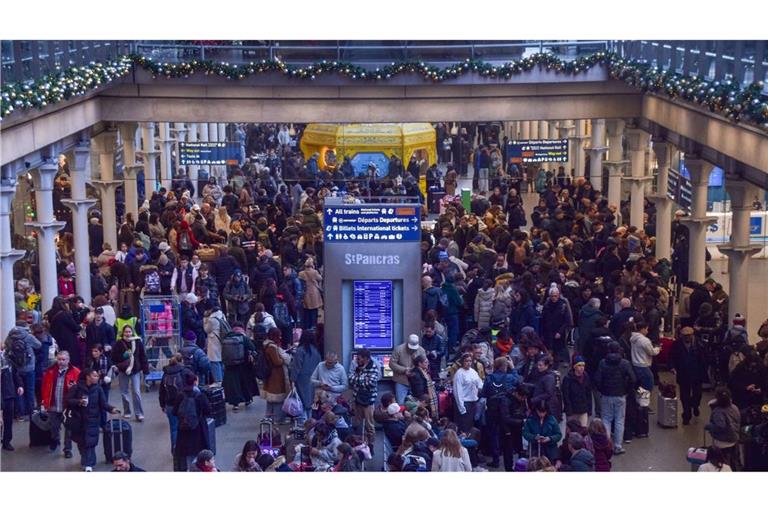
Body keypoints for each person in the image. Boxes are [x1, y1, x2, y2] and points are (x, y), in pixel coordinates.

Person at [67, 368, 120, 471]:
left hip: (93, 420)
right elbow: (69, 400)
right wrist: (79, 402)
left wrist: (111, 409)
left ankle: (89, 464)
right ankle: (87, 461)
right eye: (94, 376)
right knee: (82, 442)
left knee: (90, 443)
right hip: (79, 420)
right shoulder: (76, 388)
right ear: (88, 377)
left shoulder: (98, 389)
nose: (97, 377)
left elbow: (103, 403)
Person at [593, 341, 636, 455]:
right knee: (619, 420)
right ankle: (618, 446)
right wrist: (627, 390)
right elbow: (633, 378)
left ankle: (607, 444)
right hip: (620, 394)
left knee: (606, 419)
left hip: (606, 394)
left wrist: (602, 390)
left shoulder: (603, 363)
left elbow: (597, 379)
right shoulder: (625, 363)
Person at [40, 351, 80, 458]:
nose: (61, 362)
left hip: (68, 407)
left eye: (63, 359)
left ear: (68, 360)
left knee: (69, 429)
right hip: (53, 405)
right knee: (54, 427)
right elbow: (44, 387)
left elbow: (80, 389)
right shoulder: (50, 371)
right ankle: (55, 440)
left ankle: (67, 449)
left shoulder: (76, 372)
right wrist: (43, 401)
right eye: (59, 359)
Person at [173, 372, 212, 471]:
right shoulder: (200, 395)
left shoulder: (180, 395)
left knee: (187, 455)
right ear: (195, 381)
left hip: (183, 429)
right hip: (199, 429)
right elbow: (208, 410)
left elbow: (174, 411)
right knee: (197, 454)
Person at [670, 326, 708, 425]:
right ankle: (686, 414)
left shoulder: (699, 344)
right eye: (685, 336)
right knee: (684, 395)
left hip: (697, 373)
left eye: (688, 336)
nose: (686, 338)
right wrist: (672, 367)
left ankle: (695, 405)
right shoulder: (677, 344)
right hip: (683, 373)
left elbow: (704, 358)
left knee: (697, 394)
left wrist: (704, 371)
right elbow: (671, 357)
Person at [3, 319, 40, 419]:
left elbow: (6, 349)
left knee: (19, 390)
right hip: (29, 367)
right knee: (30, 389)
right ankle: (31, 411)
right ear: (25, 326)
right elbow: (38, 345)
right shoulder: (27, 336)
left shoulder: (10, 336)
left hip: (16, 368)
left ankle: (20, 412)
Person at [111, 324, 149, 422]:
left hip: (135, 370)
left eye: (129, 331)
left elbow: (143, 356)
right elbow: (114, 357)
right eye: (126, 332)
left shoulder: (137, 342)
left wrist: (145, 370)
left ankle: (139, 413)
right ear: (123, 333)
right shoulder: (118, 343)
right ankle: (127, 411)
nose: (128, 334)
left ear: (132, 332)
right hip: (123, 370)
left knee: (136, 392)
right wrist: (123, 356)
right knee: (124, 392)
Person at [221, 322, 258, 411]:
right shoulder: (244, 338)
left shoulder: (226, 337)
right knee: (245, 383)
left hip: (230, 366)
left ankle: (235, 403)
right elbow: (252, 347)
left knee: (233, 385)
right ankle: (247, 399)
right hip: (244, 365)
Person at [348, 349, 379, 452]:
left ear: (366, 359)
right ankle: (357, 443)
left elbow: (371, 383)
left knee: (369, 425)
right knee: (356, 424)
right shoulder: (356, 366)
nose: (357, 360)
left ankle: (371, 445)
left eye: (359, 358)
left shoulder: (374, 367)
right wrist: (363, 379)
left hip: (369, 400)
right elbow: (350, 380)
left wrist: (358, 379)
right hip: (357, 399)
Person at [289, 330, 323, 421]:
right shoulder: (316, 350)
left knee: (301, 402)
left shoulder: (300, 350)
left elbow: (296, 367)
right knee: (311, 402)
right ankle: (311, 421)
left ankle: (303, 423)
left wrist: (292, 379)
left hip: (302, 379)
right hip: (314, 379)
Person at [705, 387, 741, 470]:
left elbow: (720, 426)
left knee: (723, 464)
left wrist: (709, 426)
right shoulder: (734, 407)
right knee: (733, 462)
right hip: (734, 439)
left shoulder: (718, 412)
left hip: (722, 441)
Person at [262, 327, 292, 423]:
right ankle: (278, 419)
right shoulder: (272, 347)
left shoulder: (267, 344)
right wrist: (285, 358)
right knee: (278, 398)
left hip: (271, 375)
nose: (280, 337)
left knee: (270, 400)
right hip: (276, 375)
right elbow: (277, 362)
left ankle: (269, 417)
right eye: (279, 335)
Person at [159, 354, 188, 452]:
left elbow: (161, 391)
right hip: (183, 403)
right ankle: (185, 448)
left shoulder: (165, 373)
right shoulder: (184, 371)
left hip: (170, 404)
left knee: (174, 428)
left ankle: (175, 450)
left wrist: (162, 405)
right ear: (181, 361)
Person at [390, 334, 427, 404]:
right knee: (401, 403)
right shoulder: (399, 349)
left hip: (417, 382)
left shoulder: (421, 350)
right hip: (401, 381)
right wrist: (404, 370)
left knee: (418, 404)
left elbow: (425, 364)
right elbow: (392, 364)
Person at [453, 353, 484, 434]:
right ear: (462, 362)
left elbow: (480, 384)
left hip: (473, 402)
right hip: (465, 403)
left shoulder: (473, 372)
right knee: (464, 427)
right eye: (466, 361)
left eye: (470, 361)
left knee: (472, 427)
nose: (468, 363)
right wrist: (461, 407)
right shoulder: (459, 373)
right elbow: (457, 392)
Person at [562, 356, 593, 427]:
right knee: (572, 431)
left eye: (583, 365)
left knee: (583, 429)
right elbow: (566, 395)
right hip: (572, 410)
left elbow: (588, 393)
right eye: (579, 365)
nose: (582, 367)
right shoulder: (568, 379)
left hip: (583, 409)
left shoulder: (586, 377)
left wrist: (589, 409)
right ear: (574, 367)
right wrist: (568, 410)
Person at [1, 352, 24, 450]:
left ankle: (6, 441)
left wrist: (19, 385)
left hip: (8, 394)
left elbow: (15, 373)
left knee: (8, 419)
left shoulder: (7, 359)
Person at [203, 301, 228, 384]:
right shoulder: (222, 315)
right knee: (221, 362)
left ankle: (218, 381)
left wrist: (205, 319)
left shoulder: (211, 319)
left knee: (214, 362)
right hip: (222, 340)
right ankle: (224, 380)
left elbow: (206, 330)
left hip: (214, 342)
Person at [407, 354, 438, 420]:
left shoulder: (423, 372)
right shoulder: (416, 375)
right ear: (419, 364)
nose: (428, 364)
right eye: (426, 362)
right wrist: (426, 399)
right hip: (423, 401)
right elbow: (418, 391)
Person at [298, 259, 323, 330]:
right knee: (314, 310)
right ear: (312, 265)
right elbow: (320, 278)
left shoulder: (301, 273)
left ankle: (307, 325)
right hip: (314, 292)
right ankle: (313, 325)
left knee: (306, 310)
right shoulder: (314, 272)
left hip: (305, 292)